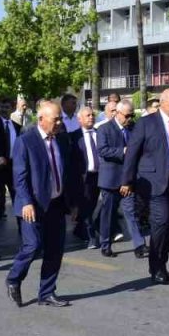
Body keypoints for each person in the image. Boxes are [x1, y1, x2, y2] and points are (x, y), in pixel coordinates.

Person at [121, 88, 169, 284]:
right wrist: (126, 181)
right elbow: (132, 153)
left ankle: (161, 264)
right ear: (163, 101)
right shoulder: (146, 123)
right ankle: (156, 267)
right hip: (155, 183)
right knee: (161, 222)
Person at [6, 100, 82, 308]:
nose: (59, 122)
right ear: (41, 119)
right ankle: (14, 278)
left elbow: (70, 174)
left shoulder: (62, 140)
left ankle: (47, 292)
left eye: (59, 119)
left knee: (55, 249)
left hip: (56, 204)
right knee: (32, 246)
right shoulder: (26, 141)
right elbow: (19, 176)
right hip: (32, 205)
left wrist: (74, 203)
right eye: (55, 119)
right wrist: (26, 202)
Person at [95, 99, 145, 258]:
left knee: (131, 212)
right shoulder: (104, 129)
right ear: (117, 113)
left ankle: (139, 245)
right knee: (108, 214)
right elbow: (103, 150)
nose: (129, 119)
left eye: (132, 115)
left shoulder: (133, 128)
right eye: (127, 116)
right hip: (110, 180)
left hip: (128, 179)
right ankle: (105, 244)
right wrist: (123, 151)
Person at [72, 106, 101, 249]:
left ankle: (79, 229)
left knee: (92, 205)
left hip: (99, 175)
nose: (91, 117)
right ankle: (91, 237)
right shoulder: (74, 136)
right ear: (80, 119)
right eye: (88, 115)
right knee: (86, 207)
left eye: (92, 115)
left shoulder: (100, 133)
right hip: (83, 177)